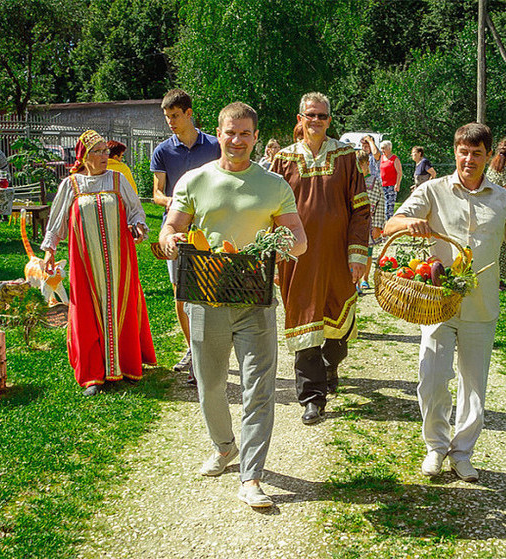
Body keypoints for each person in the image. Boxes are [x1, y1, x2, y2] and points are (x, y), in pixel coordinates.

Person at [158, 102, 307, 508]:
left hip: (255, 298)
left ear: (256, 137)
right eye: (230, 132)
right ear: (218, 133)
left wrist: (286, 243)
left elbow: (298, 236)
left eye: (245, 133)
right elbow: (172, 224)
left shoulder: (274, 185)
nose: (237, 140)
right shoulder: (194, 180)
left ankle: (252, 476)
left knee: (259, 388)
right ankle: (225, 447)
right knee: (211, 385)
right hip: (206, 295)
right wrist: (171, 237)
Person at [383, 123, 506, 482]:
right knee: (432, 378)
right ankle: (436, 447)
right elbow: (391, 223)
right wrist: (411, 223)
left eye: (477, 153)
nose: (469, 160)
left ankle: (462, 452)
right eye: (463, 152)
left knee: (474, 387)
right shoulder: (433, 190)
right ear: (455, 152)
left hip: (482, 307)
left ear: (487, 157)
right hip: (438, 303)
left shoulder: (504, 200)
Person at [271, 92, 370, 425]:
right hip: (295, 258)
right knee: (303, 322)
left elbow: (360, 209)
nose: (316, 121)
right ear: (300, 118)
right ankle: (312, 397)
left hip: (338, 256)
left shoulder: (346, 157)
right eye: (310, 115)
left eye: (322, 116)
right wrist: (271, 254)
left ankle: (330, 367)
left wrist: (358, 253)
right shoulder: (282, 161)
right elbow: (268, 213)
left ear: (330, 120)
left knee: (338, 327)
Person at [41, 130, 156, 396]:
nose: (105, 156)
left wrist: (138, 225)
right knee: (87, 311)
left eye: (106, 151)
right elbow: (56, 220)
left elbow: (136, 209)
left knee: (121, 303)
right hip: (85, 261)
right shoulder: (71, 185)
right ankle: (93, 374)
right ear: (85, 156)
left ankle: (125, 365)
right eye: (99, 152)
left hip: (120, 258)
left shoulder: (117, 180)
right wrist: (49, 250)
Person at [151, 88, 221, 382]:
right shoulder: (162, 151)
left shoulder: (216, 146)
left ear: (189, 113)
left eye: (175, 116)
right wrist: (174, 202)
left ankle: (212, 351)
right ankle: (192, 349)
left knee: (210, 291)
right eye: (167, 117)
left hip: (209, 228)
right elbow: (156, 192)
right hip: (177, 228)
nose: (170, 122)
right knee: (181, 293)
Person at [485, 138, 506, 290]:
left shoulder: (491, 168)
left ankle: (494, 278)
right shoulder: (505, 171)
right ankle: (497, 280)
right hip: (501, 213)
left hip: (489, 210)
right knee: (502, 247)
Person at [355, 148, 385, 294]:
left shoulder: (375, 181)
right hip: (354, 222)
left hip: (370, 221)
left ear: (367, 163)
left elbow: (381, 203)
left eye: (362, 164)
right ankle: (356, 281)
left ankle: (365, 278)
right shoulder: (352, 181)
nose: (360, 168)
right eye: (357, 165)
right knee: (354, 252)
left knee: (368, 252)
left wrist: (378, 226)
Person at [379, 140, 402, 220]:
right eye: (381, 148)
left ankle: (389, 222)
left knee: (389, 206)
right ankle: (383, 223)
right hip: (382, 185)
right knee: (382, 205)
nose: (382, 150)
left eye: (384, 148)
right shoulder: (381, 158)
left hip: (391, 185)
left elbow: (399, 172)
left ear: (389, 148)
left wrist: (397, 184)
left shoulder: (394, 159)